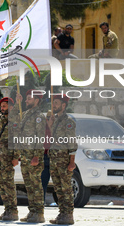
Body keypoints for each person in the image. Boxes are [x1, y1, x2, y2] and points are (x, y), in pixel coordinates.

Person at [11, 89, 46, 223]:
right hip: (25, 156)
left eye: (28, 99)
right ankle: (32, 212)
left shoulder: (39, 116)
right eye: (25, 99)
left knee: (36, 186)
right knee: (29, 186)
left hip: (33, 157)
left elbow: (40, 137)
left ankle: (39, 213)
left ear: (36, 101)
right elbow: (13, 120)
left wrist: (36, 156)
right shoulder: (25, 115)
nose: (26, 101)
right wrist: (17, 103)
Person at [0, 93, 20, 221]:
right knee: (2, 185)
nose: (2, 108)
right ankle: (7, 210)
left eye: (5, 106)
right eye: (1, 106)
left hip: (8, 157)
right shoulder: (4, 120)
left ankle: (13, 211)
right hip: (1, 157)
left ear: (11, 107)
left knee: (9, 185)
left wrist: (16, 157)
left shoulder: (15, 120)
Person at [48, 95, 77, 225]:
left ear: (63, 105)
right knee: (58, 188)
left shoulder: (68, 121)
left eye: (56, 103)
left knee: (66, 188)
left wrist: (72, 161)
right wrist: (50, 123)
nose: (53, 105)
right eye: (53, 103)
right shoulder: (55, 120)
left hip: (64, 159)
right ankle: (62, 213)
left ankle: (69, 215)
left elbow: (72, 142)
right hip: (54, 159)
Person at [41, 110, 52, 205]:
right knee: (42, 182)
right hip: (44, 156)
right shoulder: (44, 128)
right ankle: (41, 203)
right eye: (47, 118)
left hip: (55, 157)